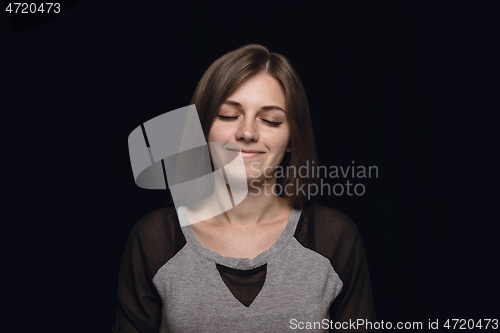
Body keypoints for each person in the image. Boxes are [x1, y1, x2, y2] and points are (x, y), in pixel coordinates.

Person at [112, 44, 377, 332]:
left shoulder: (333, 238)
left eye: (270, 120)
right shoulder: (156, 239)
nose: (247, 133)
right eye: (228, 115)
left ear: (292, 138)